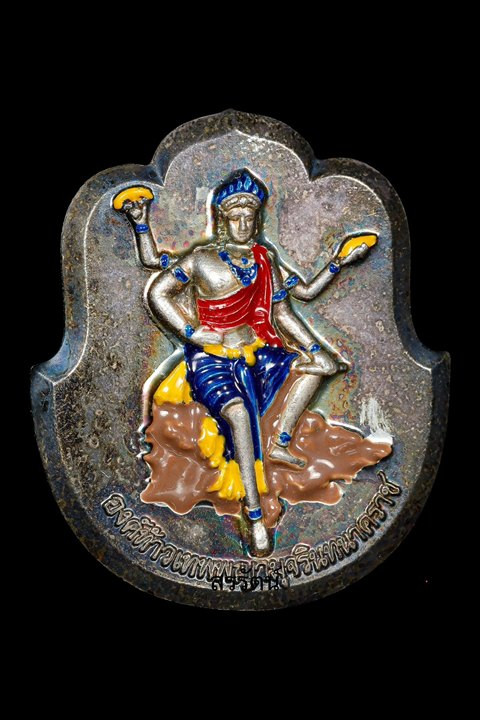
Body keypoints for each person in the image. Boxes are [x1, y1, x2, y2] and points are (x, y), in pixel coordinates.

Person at [117, 169, 372, 556]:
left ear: (257, 220)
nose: (242, 225)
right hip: (212, 358)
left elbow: (290, 305)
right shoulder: (202, 259)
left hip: (257, 352)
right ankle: (253, 516)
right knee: (237, 414)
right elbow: (158, 292)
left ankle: (279, 442)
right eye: (235, 217)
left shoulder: (264, 259)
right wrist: (191, 332)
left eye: (249, 217)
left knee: (321, 366)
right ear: (222, 220)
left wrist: (338, 264)